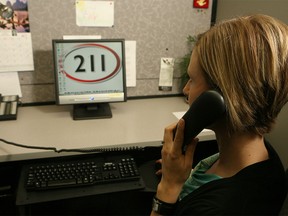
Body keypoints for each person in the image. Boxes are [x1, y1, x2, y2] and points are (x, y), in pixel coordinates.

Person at [151, 14, 288, 215]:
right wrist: (182, 174)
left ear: (217, 99)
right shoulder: (258, 153)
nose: (186, 90)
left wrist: (168, 188)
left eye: (192, 80)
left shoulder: (219, 208)